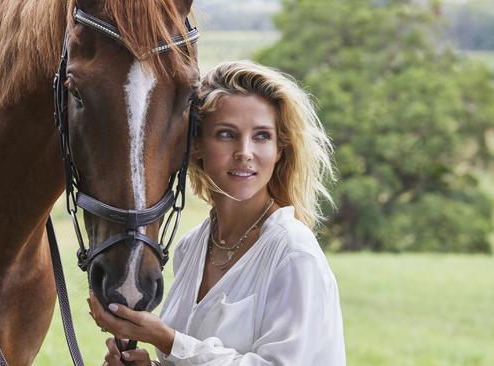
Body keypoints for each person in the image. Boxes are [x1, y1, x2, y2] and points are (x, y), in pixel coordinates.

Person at [88, 60, 346, 365]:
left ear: (279, 150)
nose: (245, 152)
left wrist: (167, 340)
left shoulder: (292, 253)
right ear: (196, 144)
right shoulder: (192, 247)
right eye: (226, 134)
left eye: (262, 136)